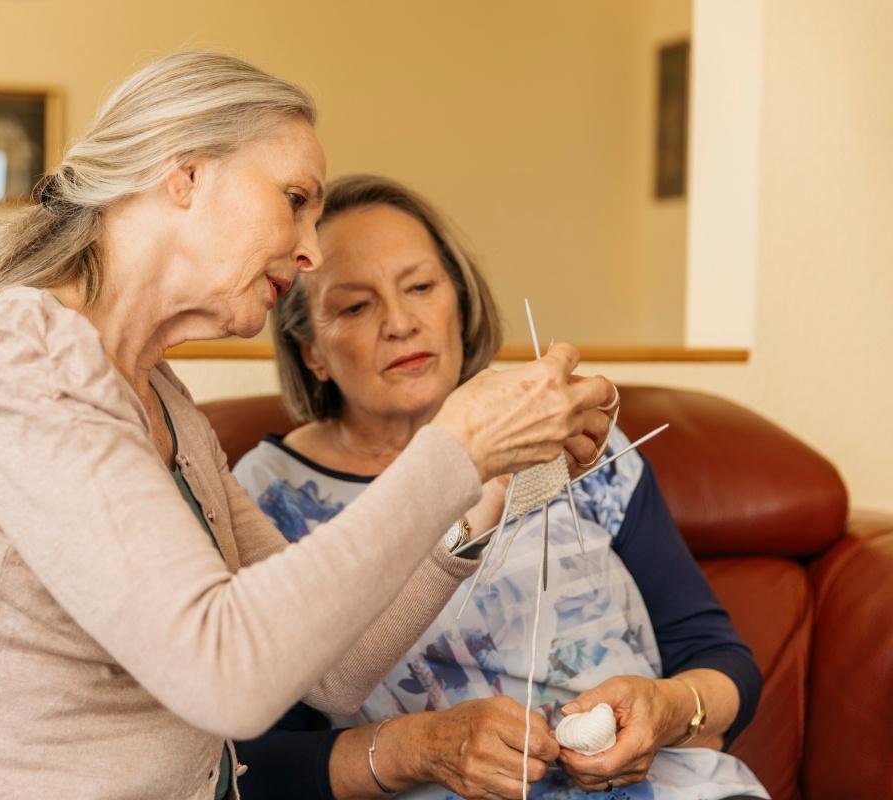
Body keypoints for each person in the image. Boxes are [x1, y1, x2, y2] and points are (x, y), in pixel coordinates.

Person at [0, 54, 616, 800]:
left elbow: (337, 670)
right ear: (184, 175)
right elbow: (224, 674)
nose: (313, 251)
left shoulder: (165, 402)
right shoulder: (15, 359)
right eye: (295, 199)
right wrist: (456, 447)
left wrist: (486, 486)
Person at [232, 175, 768, 800]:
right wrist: (422, 748)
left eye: (421, 288)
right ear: (311, 353)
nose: (401, 323)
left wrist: (671, 707)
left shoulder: (573, 440)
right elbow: (254, 762)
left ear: (458, 303)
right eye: (355, 306)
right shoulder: (268, 500)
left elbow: (717, 656)